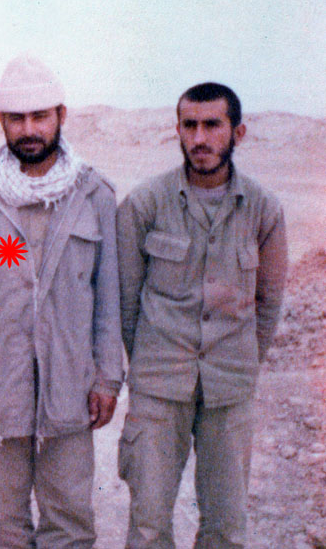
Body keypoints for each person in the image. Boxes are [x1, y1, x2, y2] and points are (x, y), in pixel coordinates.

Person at [0, 54, 123, 548]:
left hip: (70, 385)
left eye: (40, 116)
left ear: (61, 115)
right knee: (1, 521)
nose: (29, 129)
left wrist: (107, 377)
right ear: (1, 121)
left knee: (69, 521)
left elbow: (108, 299)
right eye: (17, 118)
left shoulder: (94, 195)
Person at [116, 82, 288, 548]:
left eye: (212, 125)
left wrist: (239, 362)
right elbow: (127, 301)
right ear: (177, 130)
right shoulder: (145, 204)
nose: (200, 138)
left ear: (238, 132)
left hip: (230, 392)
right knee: (148, 525)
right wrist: (152, 360)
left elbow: (269, 302)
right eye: (189, 125)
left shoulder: (264, 210)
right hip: (158, 389)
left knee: (226, 527)